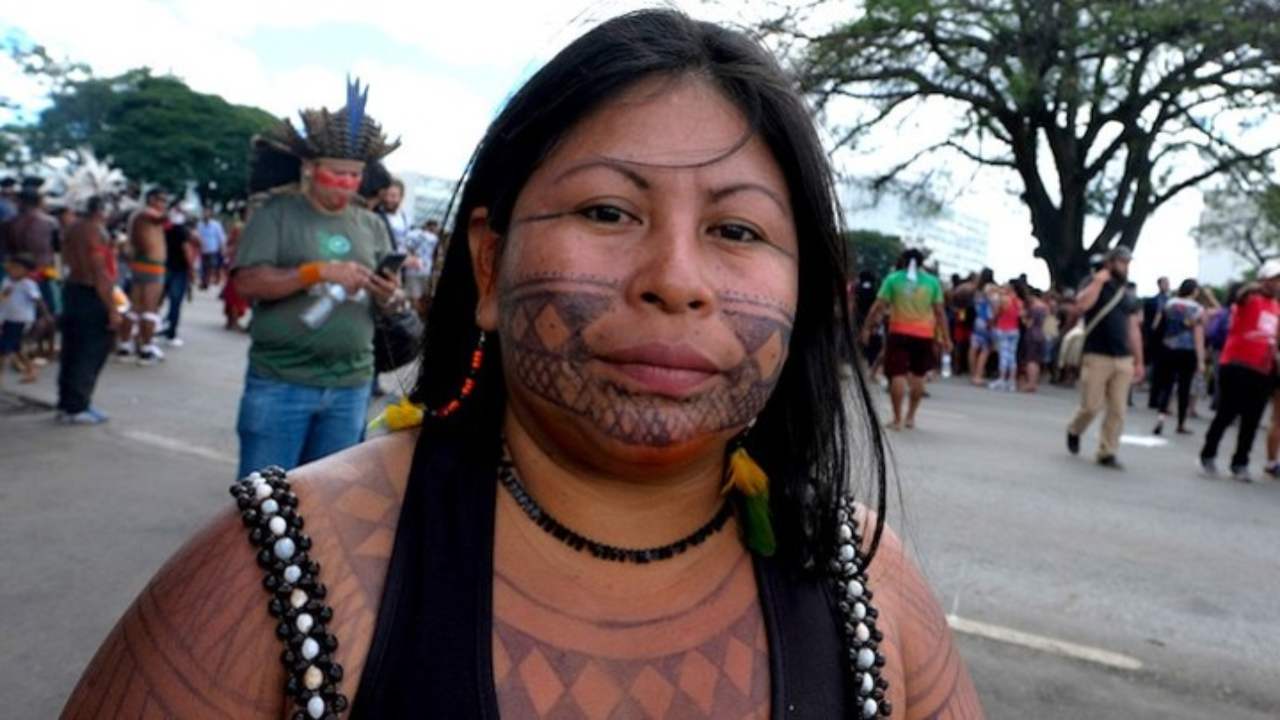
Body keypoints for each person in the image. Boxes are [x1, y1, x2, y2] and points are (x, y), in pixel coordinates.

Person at [63, 11, 980, 719]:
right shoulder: (281, 572)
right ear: (491, 267)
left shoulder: (872, 582)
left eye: (736, 230)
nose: (675, 281)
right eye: (608, 213)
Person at [229, 79, 402, 479]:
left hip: (351, 386)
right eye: (337, 174)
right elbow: (248, 284)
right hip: (280, 385)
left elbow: (386, 298)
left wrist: (386, 293)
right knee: (266, 503)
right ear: (311, 169)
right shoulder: (277, 214)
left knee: (330, 507)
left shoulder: (371, 225)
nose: (346, 184)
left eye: (354, 176)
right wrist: (316, 271)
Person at [1199, 261, 1280, 481]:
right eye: (1273, 279)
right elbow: (1238, 296)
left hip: (1262, 370)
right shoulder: (1248, 299)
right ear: (1263, 280)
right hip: (1236, 365)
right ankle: (1208, 454)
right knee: (1227, 413)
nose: (1276, 284)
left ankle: (1240, 462)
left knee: (1252, 420)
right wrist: (1252, 287)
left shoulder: (1276, 307)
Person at [1066, 246, 1144, 469]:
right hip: (1097, 354)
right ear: (1110, 263)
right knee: (1091, 406)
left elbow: (1133, 329)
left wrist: (1139, 360)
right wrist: (1098, 282)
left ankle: (1107, 452)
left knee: (1118, 409)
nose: (1125, 266)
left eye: (1128, 263)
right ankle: (1074, 429)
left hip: (1123, 358)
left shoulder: (1128, 293)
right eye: (1122, 262)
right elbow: (1082, 305)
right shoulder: (1093, 282)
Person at [861, 248, 952, 429]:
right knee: (918, 375)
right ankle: (911, 417)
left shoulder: (893, 279)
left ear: (903, 261)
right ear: (921, 263)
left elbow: (878, 306)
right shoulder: (932, 282)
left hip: (899, 333)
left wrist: (866, 327)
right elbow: (940, 312)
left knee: (897, 374)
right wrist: (946, 338)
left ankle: (897, 419)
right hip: (924, 335)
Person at [57, 196, 121, 424]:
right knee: (89, 351)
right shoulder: (95, 232)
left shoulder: (73, 228)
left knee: (72, 350)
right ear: (100, 210)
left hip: (73, 290)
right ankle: (78, 405)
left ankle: (68, 404)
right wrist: (112, 308)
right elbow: (99, 271)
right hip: (90, 292)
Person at [117, 188, 169, 364]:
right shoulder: (146, 213)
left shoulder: (139, 215)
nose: (164, 204)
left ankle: (125, 346)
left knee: (135, 307)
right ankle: (146, 350)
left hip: (141, 265)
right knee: (149, 309)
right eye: (162, 200)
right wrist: (171, 215)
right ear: (152, 199)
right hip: (151, 266)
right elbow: (159, 218)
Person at [1151, 279, 1206, 436]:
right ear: (1194, 291)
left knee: (1167, 385)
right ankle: (1180, 423)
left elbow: (1156, 325)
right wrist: (1201, 359)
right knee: (1184, 387)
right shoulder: (1197, 309)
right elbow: (1198, 335)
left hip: (1168, 348)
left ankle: (1160, 418)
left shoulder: (1169, 304)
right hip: (1187, 351)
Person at [0, 254, 46, 384]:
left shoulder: (28, 284)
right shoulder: (6, 281)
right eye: (11, 266)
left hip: (20, 320)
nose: (12, 270)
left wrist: (45, 315)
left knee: (3, 349)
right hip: (8, 317)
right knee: (16, 348)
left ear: (26, 271)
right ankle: (32, 370)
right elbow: (3, 299)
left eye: (17, 268)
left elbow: (38, 300)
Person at [161, 209, 200, 347]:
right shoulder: (182, 232)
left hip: (164, 267)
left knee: (157, 301)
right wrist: (192, 270)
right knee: (175, 302)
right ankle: (171, 333)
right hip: (179, 270)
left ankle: (154, 328)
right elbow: (187, 250)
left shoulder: (165, 230)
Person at [988, 281, 1022, 391]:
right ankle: (1011, 382)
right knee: (1012, 356)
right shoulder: (1018, 301)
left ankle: (1002, 379)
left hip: (1003, 329)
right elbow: (1020, 315)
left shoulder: (1003, 300)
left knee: (1003, 355)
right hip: (1014, 330)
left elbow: (996, 313)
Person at [403, 218, 440, 303]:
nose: (436, 231)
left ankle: (414, 312)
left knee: (413, 296)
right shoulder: (435, 238)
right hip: (425, 270)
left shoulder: (413, 234)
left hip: (413, 270)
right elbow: (436, 255)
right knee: (422, 296)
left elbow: (407, 249)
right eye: (435, 229)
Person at [197, 207, 227, 289]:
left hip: (213, 250)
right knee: (203, 267)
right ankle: (204, 281)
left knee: (211, 266)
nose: (205, 215)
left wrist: (223, 248)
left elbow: (221, 237)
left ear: (210, 214)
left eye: (207, 213)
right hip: (203, 250)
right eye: (204, 213)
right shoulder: (199, 225)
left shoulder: (216, 225)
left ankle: (207, 281)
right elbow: (197, 236)